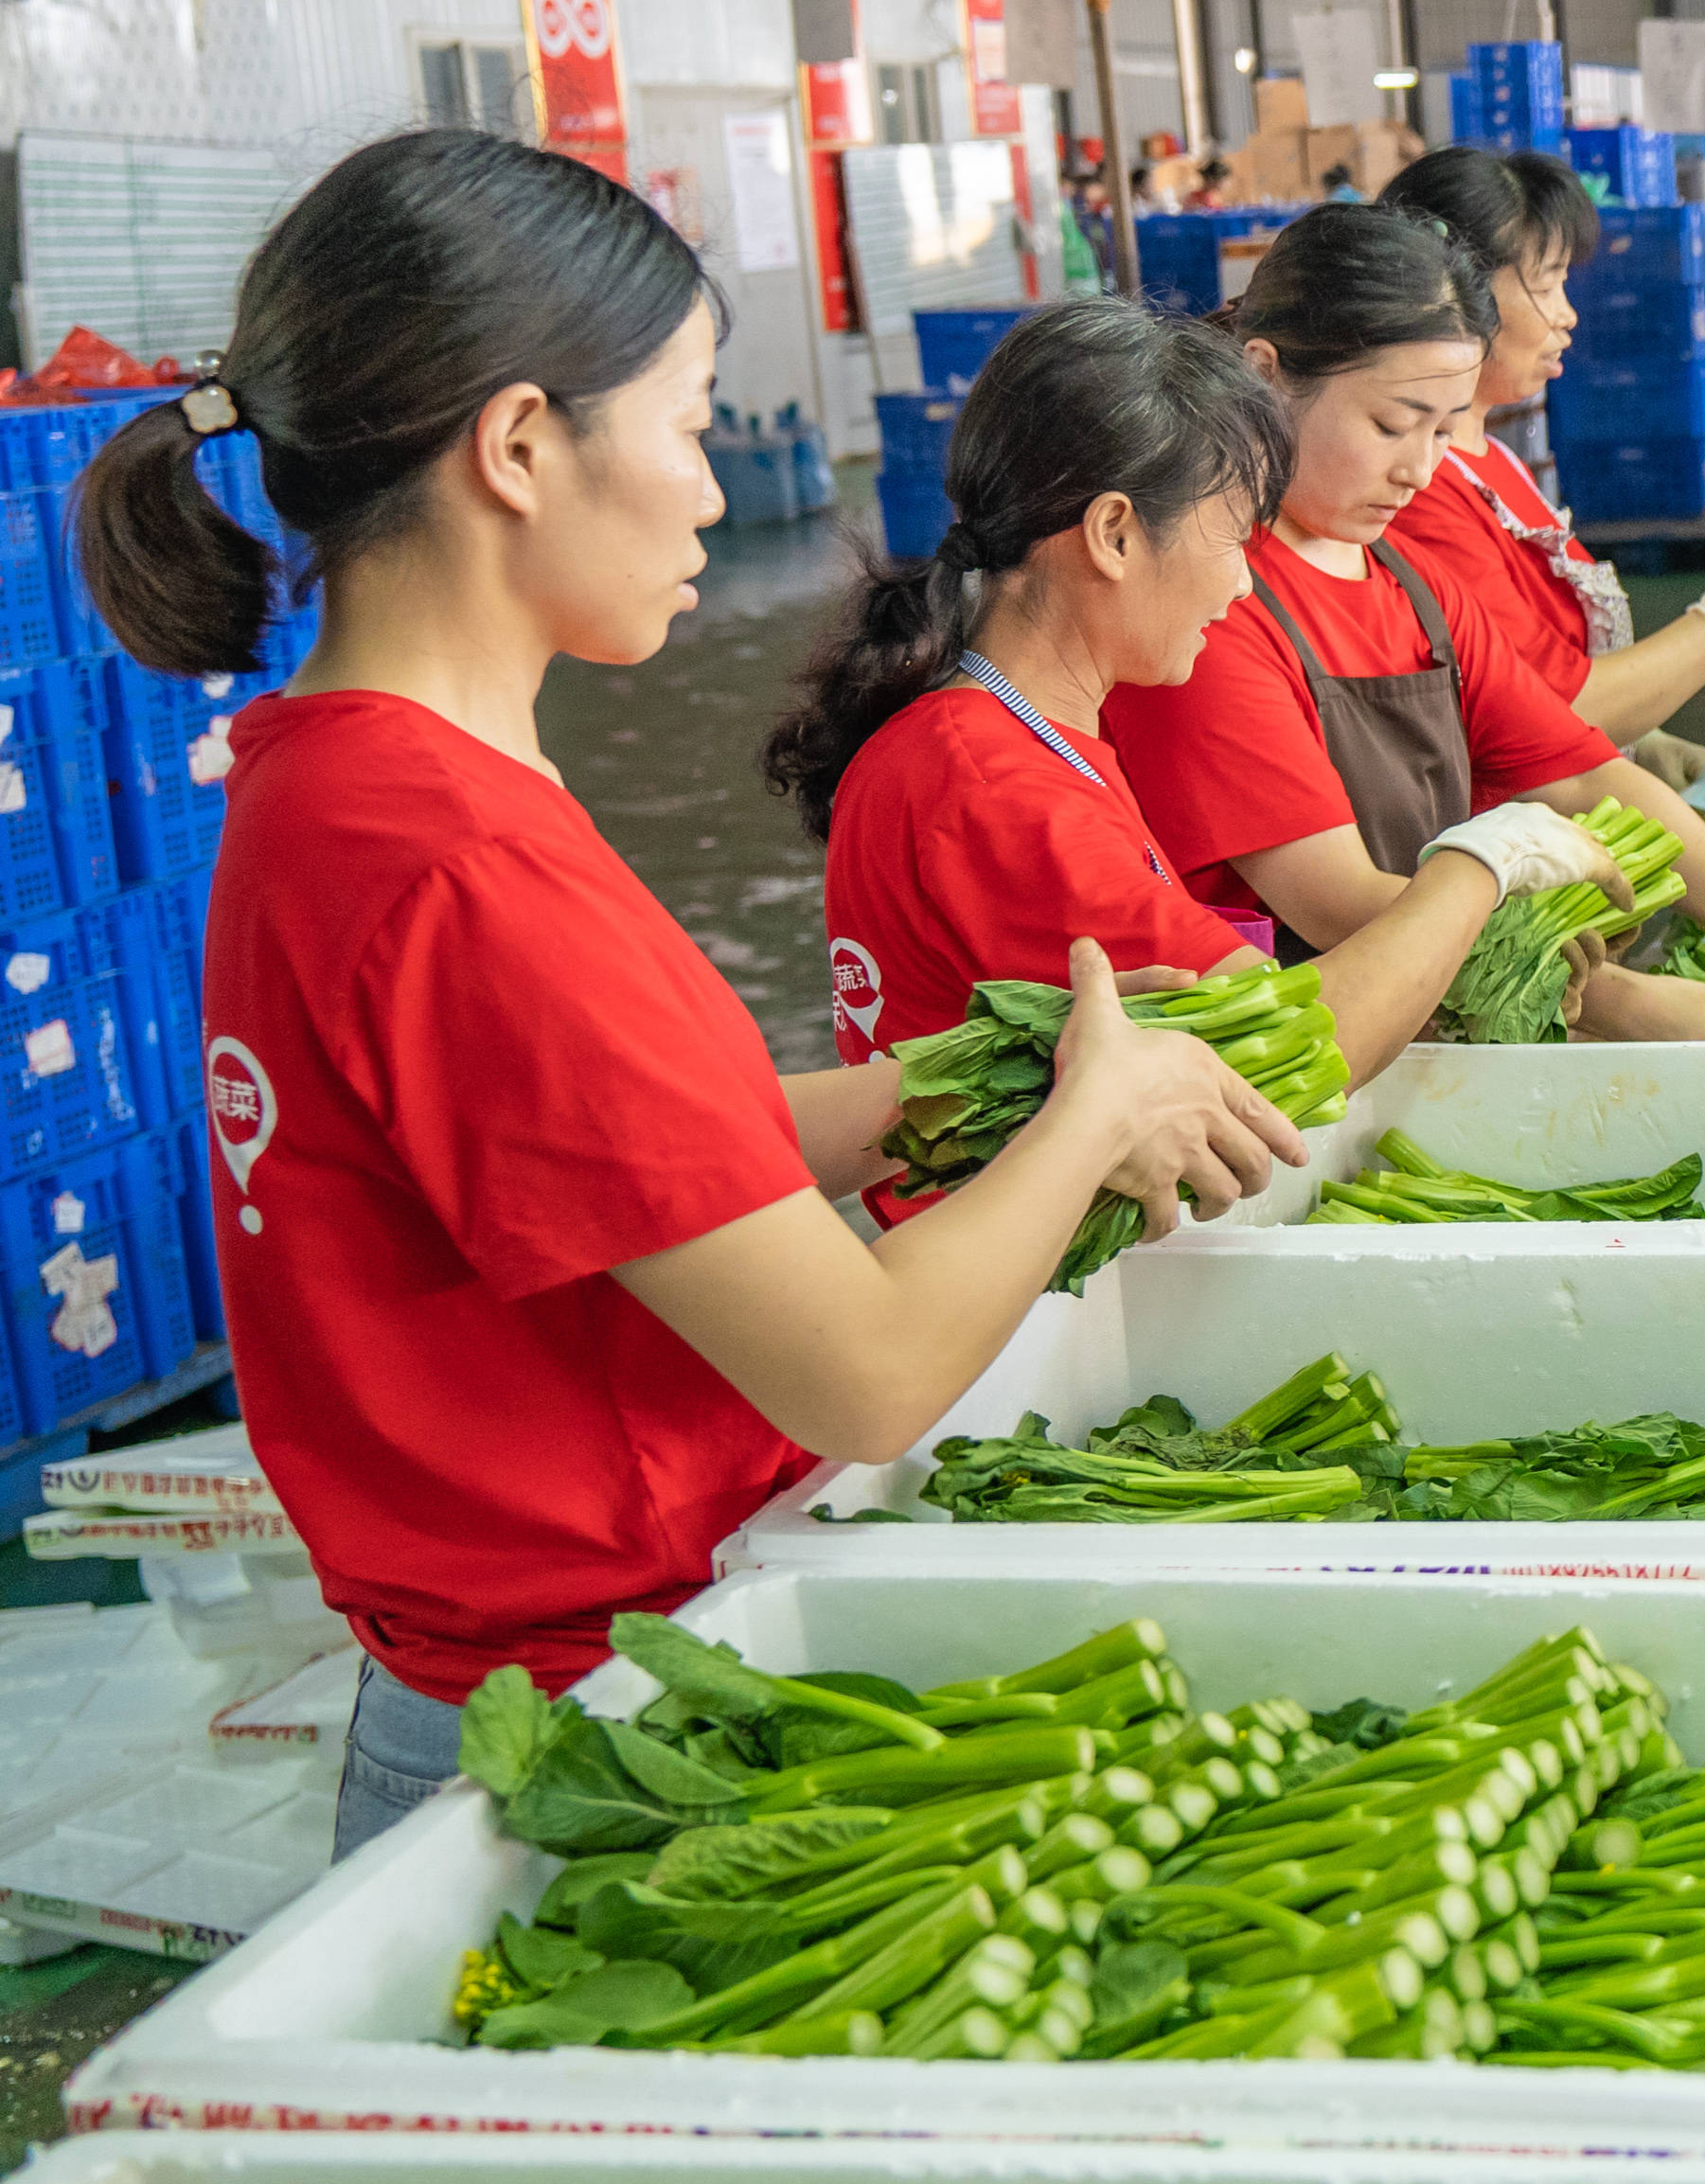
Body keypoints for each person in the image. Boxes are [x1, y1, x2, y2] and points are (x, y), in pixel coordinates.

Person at [75, 134, 1290, 1855]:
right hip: (592, 1732)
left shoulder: (342, 781)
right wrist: (1094, 1113)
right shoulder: (451, 860)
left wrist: (926, 1097)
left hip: (500, 1686)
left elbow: (592, 1167)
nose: (719, 488)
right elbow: (861, 1374)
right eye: (692, 420)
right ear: (517, 446)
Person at [768, 299, 1621, 1116]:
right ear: (1115, 534)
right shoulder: (993, 786)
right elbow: (1291, 1046)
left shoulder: (1026, 735)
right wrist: (1481, 862)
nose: (1243, 583)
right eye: (1231, 537)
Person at [1096, 203, 1705, 1034]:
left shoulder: (1414, 588)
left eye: (1445, 431)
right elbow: (1334, 900)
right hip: (1300, 1059)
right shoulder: (1206, 608)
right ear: (1265, 376)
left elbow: (1587, 775)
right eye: (1391, 425)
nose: (1420, 470)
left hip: (1438, 1025)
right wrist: (1614, 998)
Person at [1379, 147, 1705, 856]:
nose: (1568, 315)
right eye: (1546, 286)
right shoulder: (1418, 493)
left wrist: (1645, 736)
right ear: (1457, 293)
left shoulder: (1498, 459)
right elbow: (1550, 709)